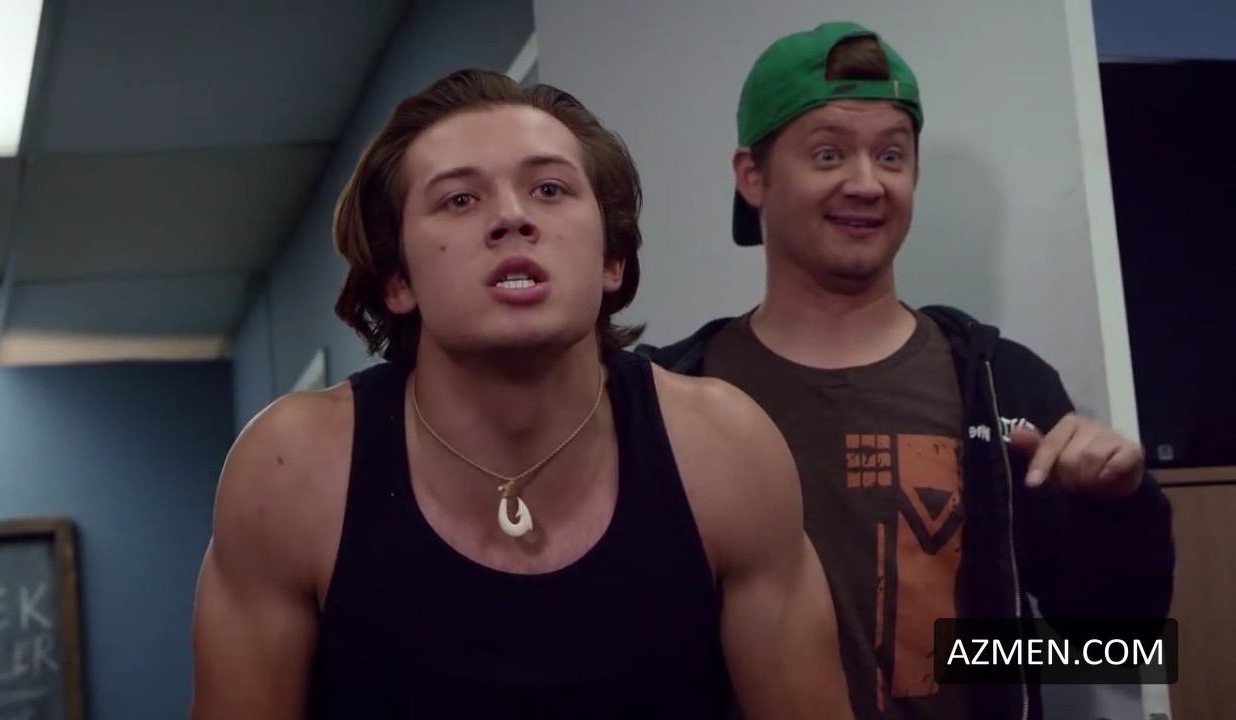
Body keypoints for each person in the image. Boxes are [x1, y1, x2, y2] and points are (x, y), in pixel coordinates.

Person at [187, 68, 854, 719]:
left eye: (549, 190)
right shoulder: (293, 472)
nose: (511, 217)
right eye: (459, 200)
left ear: (612, 259)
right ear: (398, 280)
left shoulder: (724, 450)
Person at [637, 22, 1175, 720]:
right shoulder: (669, 397)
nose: (867, 184)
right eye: (828, 154)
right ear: (752, 176)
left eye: (891, 155)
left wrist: (1118, 509)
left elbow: (1121, 650)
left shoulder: (999, 386)